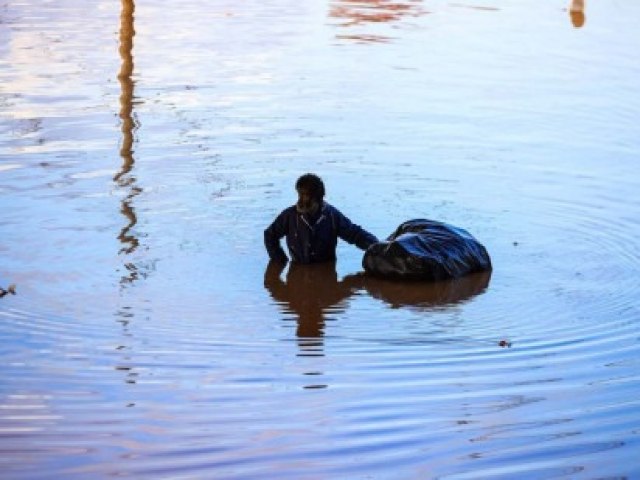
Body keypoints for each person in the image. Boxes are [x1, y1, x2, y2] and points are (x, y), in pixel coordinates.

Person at [264, 173, 379, 264]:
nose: (301, 202)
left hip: (325, 269)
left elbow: (355, 234)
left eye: (307, 196)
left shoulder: (332, 216)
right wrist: (280, 261)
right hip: (298, 269)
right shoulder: (289, 216)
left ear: (319, 199)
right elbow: (270, 235)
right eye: (300, 195)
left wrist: (378, 247)